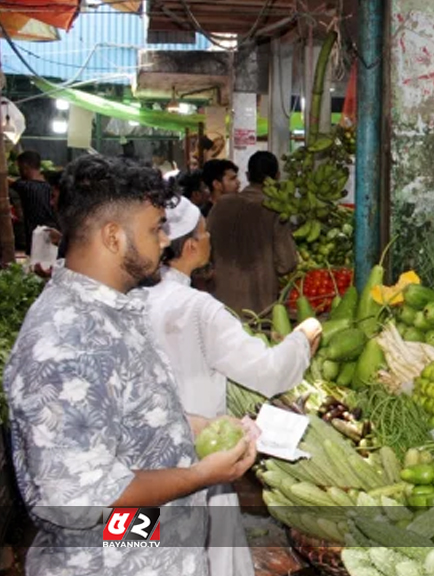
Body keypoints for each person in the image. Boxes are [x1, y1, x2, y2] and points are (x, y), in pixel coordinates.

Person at [1, 155, 257, 576]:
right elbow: (83, 507)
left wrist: (199, 427)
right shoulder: (65, 344)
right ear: (113, 237)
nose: (165, 240)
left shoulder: (115, 309)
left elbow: (125, 415)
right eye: (156, 228)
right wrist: (199, 476)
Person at [146, 198, 321, 576]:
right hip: (201, 461)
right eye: (205, 232)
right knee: (210, 552)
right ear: (191, 247)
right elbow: (270, 371)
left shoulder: (127, 299)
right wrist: (303, 338)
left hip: (142, 475)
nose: (211, 237)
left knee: (146, 547)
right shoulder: (198, 309)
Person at [207, 151, 298, 313]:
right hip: (259, 309)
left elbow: (207, 251)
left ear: (248, 175)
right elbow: (286, 264)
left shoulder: (220, 205)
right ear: (277, 176)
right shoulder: (275, 210)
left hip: (221, 306)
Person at [12, 150, 58, 249]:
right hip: (54, 231)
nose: (19, 171)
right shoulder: (49, 184)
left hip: (36, 235)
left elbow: (7, 182)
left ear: (25, 167)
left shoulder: (25, 187)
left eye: (19, 168)